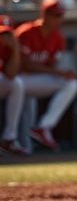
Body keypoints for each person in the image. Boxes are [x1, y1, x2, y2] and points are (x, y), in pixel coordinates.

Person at [15, 0, 77, 151]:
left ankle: (44, 127)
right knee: (24, 111)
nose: (59, 19)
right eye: (55, 15)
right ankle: (16, 143)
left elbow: (54, 64)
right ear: (45, 14)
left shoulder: (58, 37)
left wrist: (65, 72)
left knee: (71, 83)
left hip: (35, 81)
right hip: (17, 79)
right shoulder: (26, 32)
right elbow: (26, 65)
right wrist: (58, 72)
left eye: (60, 16)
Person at [0, 15, 27, 155]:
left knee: (16, 84)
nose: (4, 38)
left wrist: (15, 49)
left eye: (7, 34)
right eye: (1, 34)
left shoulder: (10, 49)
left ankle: (9, 138)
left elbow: (10, 75)